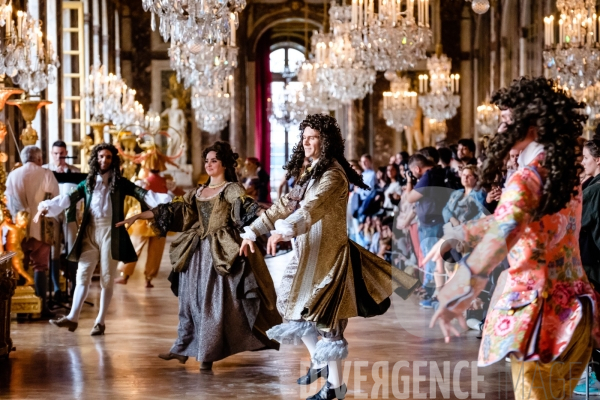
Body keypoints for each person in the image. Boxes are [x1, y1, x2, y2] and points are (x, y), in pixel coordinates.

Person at [424, 77, 598, 400]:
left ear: (531, 124)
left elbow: (505, 230)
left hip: (540, 317)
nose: (501, 130)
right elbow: (514, 218)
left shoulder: (528, 177)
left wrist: (455, 295)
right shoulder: (561, 171)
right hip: (576, 312)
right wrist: (460, 232)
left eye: (506, 121)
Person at [239, 114, 419, 400]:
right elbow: (283, 206)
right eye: (304, 137)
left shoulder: (333, 175)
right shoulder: (308, 173)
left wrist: (286, 230)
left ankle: (335, 387)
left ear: (325, 142)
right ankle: (322, 364)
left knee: (326, 324)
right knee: (293, 310)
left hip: (328, 258)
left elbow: (313, 208)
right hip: (304, 255)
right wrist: (253, 232)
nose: (306, 142)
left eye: (313, 137)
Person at [117, 141, 281, 370]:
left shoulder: (231, 189)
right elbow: (172, 210)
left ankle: (207, 355)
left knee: (211, 305)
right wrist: (138, 216)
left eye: (214, 160)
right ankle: (182, 348)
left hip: (220, 253)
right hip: (195, 253)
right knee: (189, 302)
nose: (209, 164)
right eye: (206, 161)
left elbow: (247, 207)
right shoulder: (199, 191)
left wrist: (272, 218)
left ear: (224, 164)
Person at [34, 143, 172, 335]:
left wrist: (169, 200)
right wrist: (46, 207)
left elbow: (145, 194)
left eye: (108, 157)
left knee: (107, 278)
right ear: (95, 159)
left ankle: (100, 321)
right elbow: (67, 199)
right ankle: (73, 317)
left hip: (111, 232)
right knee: (82, 274)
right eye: (100, 157)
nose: (104, 160)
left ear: (113, 160)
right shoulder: (87, 183)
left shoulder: (121, 183)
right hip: (89, 231)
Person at [6, 145, 60, 317]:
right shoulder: (46, 174)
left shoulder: (13, 174)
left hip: (18, 228)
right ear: (39, 158)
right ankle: (41, 307)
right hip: (41, 226)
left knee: (20, 266)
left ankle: (21, 309)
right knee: (40, 266)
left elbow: (7, 201)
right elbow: (55, 199)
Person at [115, 153, 172, 288]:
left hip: (143, 217)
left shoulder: (143, 181)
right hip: (161, 218)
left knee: (134, 247)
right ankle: (148, 278)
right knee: (155, 251)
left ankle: (125, 276)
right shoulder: (166, 180)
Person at [405, 153, 452, 307]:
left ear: (417, 168)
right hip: (434, 221)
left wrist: (409, 182)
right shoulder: (435, 173)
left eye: (412, 172)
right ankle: (432, 291)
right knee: (433, 259)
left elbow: (410, 197)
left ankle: (432, 293)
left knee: (432, 259)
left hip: (433, 224)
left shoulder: (428, 176)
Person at [43, 140, 81, 302]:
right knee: (53, 250)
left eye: (62, 153)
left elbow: (80, 192)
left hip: (70, 213)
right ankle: (56, 288)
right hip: (52, 215)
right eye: (56, 153)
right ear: (52, 154)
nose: (59, 156)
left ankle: (73, 286)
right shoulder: (45, 170)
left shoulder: (75, 171)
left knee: (72, 247)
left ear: (66, 153)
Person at [578, 134, 600, 395]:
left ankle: (588, 374)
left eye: (585, 158)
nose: (582, 163)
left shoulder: (594, 190)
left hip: (592, 265)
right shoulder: (591, 185)